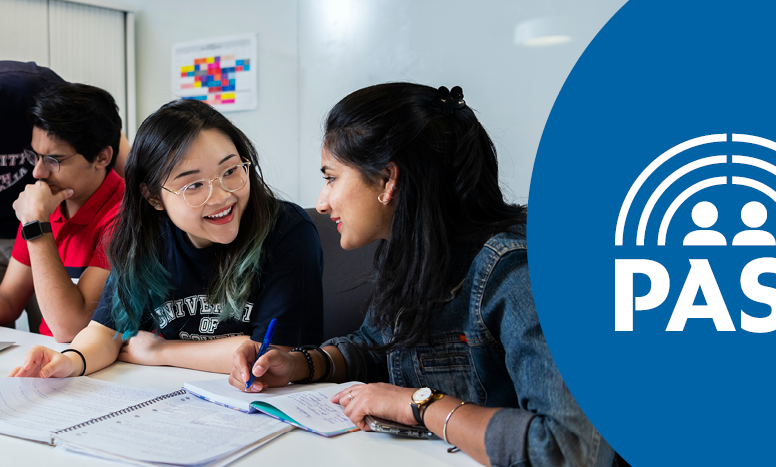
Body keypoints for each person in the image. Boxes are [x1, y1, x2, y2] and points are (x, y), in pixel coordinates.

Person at [228, 83, 625, 467]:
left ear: (387, 179)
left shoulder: (518, 271)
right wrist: (300, 364)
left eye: (331, 177)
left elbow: (568, 450)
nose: (322, 201)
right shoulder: (415, 252)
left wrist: (420, 404)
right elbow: (375, 344)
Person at [9, 99, 324, 376]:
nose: (221, 196)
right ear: (153, 198)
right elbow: (105, 333)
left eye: (230, 171)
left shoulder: (286, 230)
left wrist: (159, 351)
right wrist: (69, 362)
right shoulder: (147, 236)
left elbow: (272, 358)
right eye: (193, 185)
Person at [0, 61, 132, 333]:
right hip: (51, 362)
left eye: (53, 160)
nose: (37, 172)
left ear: (102, 157)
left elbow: (70, 328)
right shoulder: (46, 202)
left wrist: (35, 224)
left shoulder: (124, 217)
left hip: (93, 367)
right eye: (35, 156)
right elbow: (9, 301)